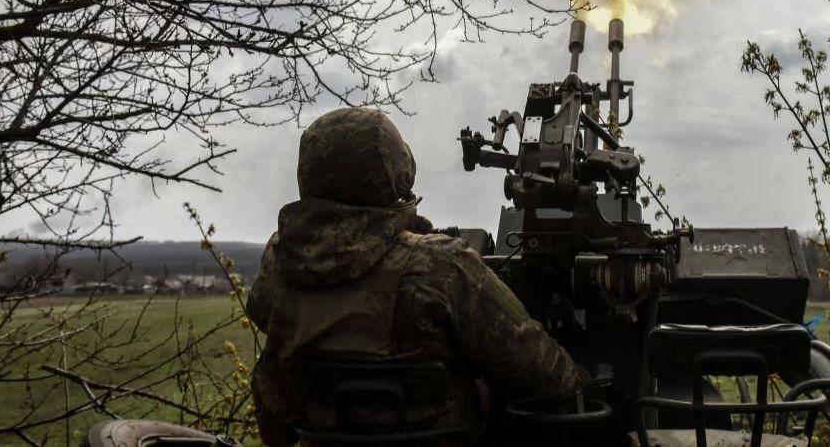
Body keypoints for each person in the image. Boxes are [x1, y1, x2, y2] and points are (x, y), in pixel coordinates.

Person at [247, 107, 589, 445]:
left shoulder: (279, 263)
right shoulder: (440, 266)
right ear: (395, 171)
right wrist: (586, 381)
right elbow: (544, 372)